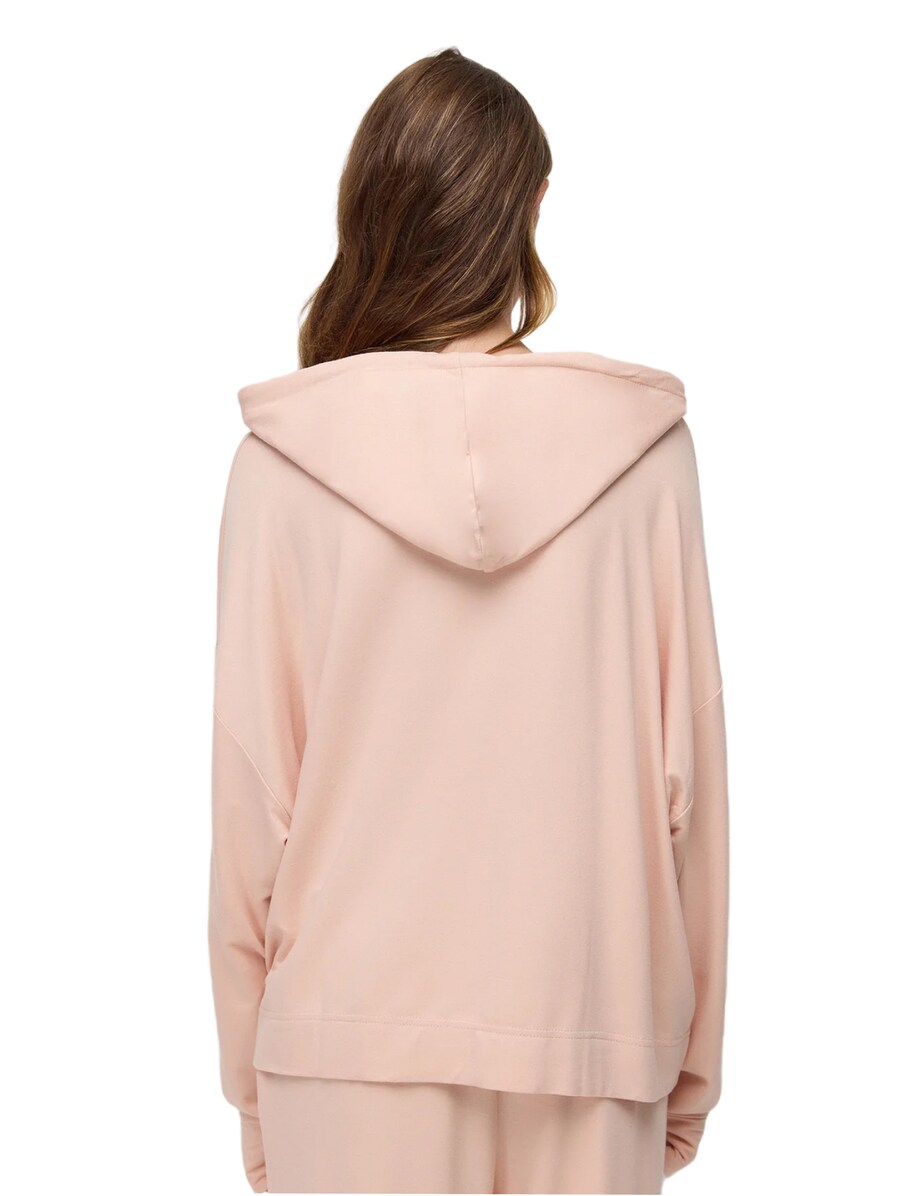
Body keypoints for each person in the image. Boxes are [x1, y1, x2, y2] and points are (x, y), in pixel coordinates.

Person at [207, 45, 729, 1195]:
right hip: (592, 1033)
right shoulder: (645, 459)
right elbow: (689, 784)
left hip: (341, 1046)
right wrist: (684, 1076)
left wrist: (257, 1086)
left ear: (369, 209)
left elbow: (252, 799)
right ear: (531, 206)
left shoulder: (283, 466)